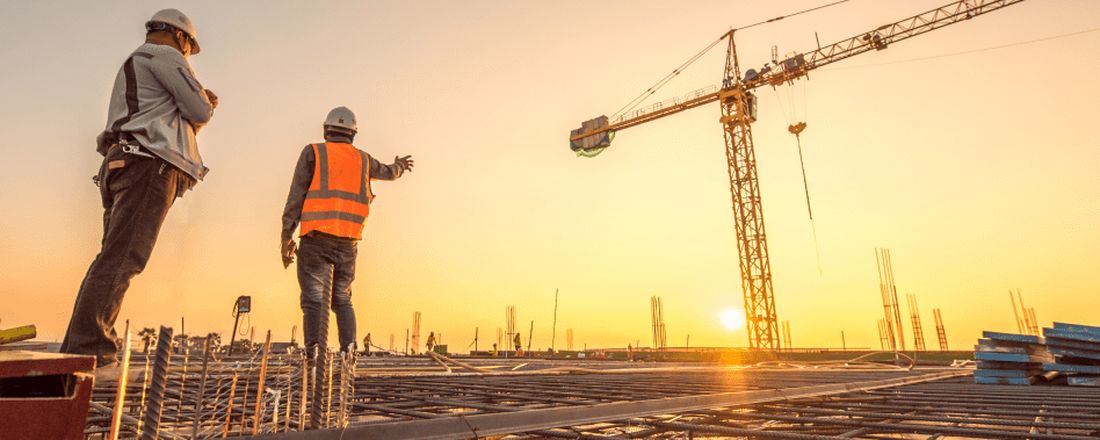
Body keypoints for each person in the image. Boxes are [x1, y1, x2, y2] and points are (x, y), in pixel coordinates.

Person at [61, 9, 216, 377]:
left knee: (111, 258)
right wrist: (207, 103)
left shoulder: (134, 62)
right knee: (123, 259)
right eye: (189, 50)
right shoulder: (165, 56)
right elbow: (198, 109)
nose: (188, 57)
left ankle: (80, 349)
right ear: (181, 38)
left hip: (122, 162)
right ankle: (93, 350)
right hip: (146, 166)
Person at [280, 106, 413, 356]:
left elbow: (296, 196)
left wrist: (286, 235)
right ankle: (348, 352)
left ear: (326, 129)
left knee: (314, 299)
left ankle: (314, 354)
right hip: (348, 242)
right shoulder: (363, 160)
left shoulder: (314, 153)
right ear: (353, 133)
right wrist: (400, 166)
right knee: (342, 298)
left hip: (316, 237)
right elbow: (388, 172)